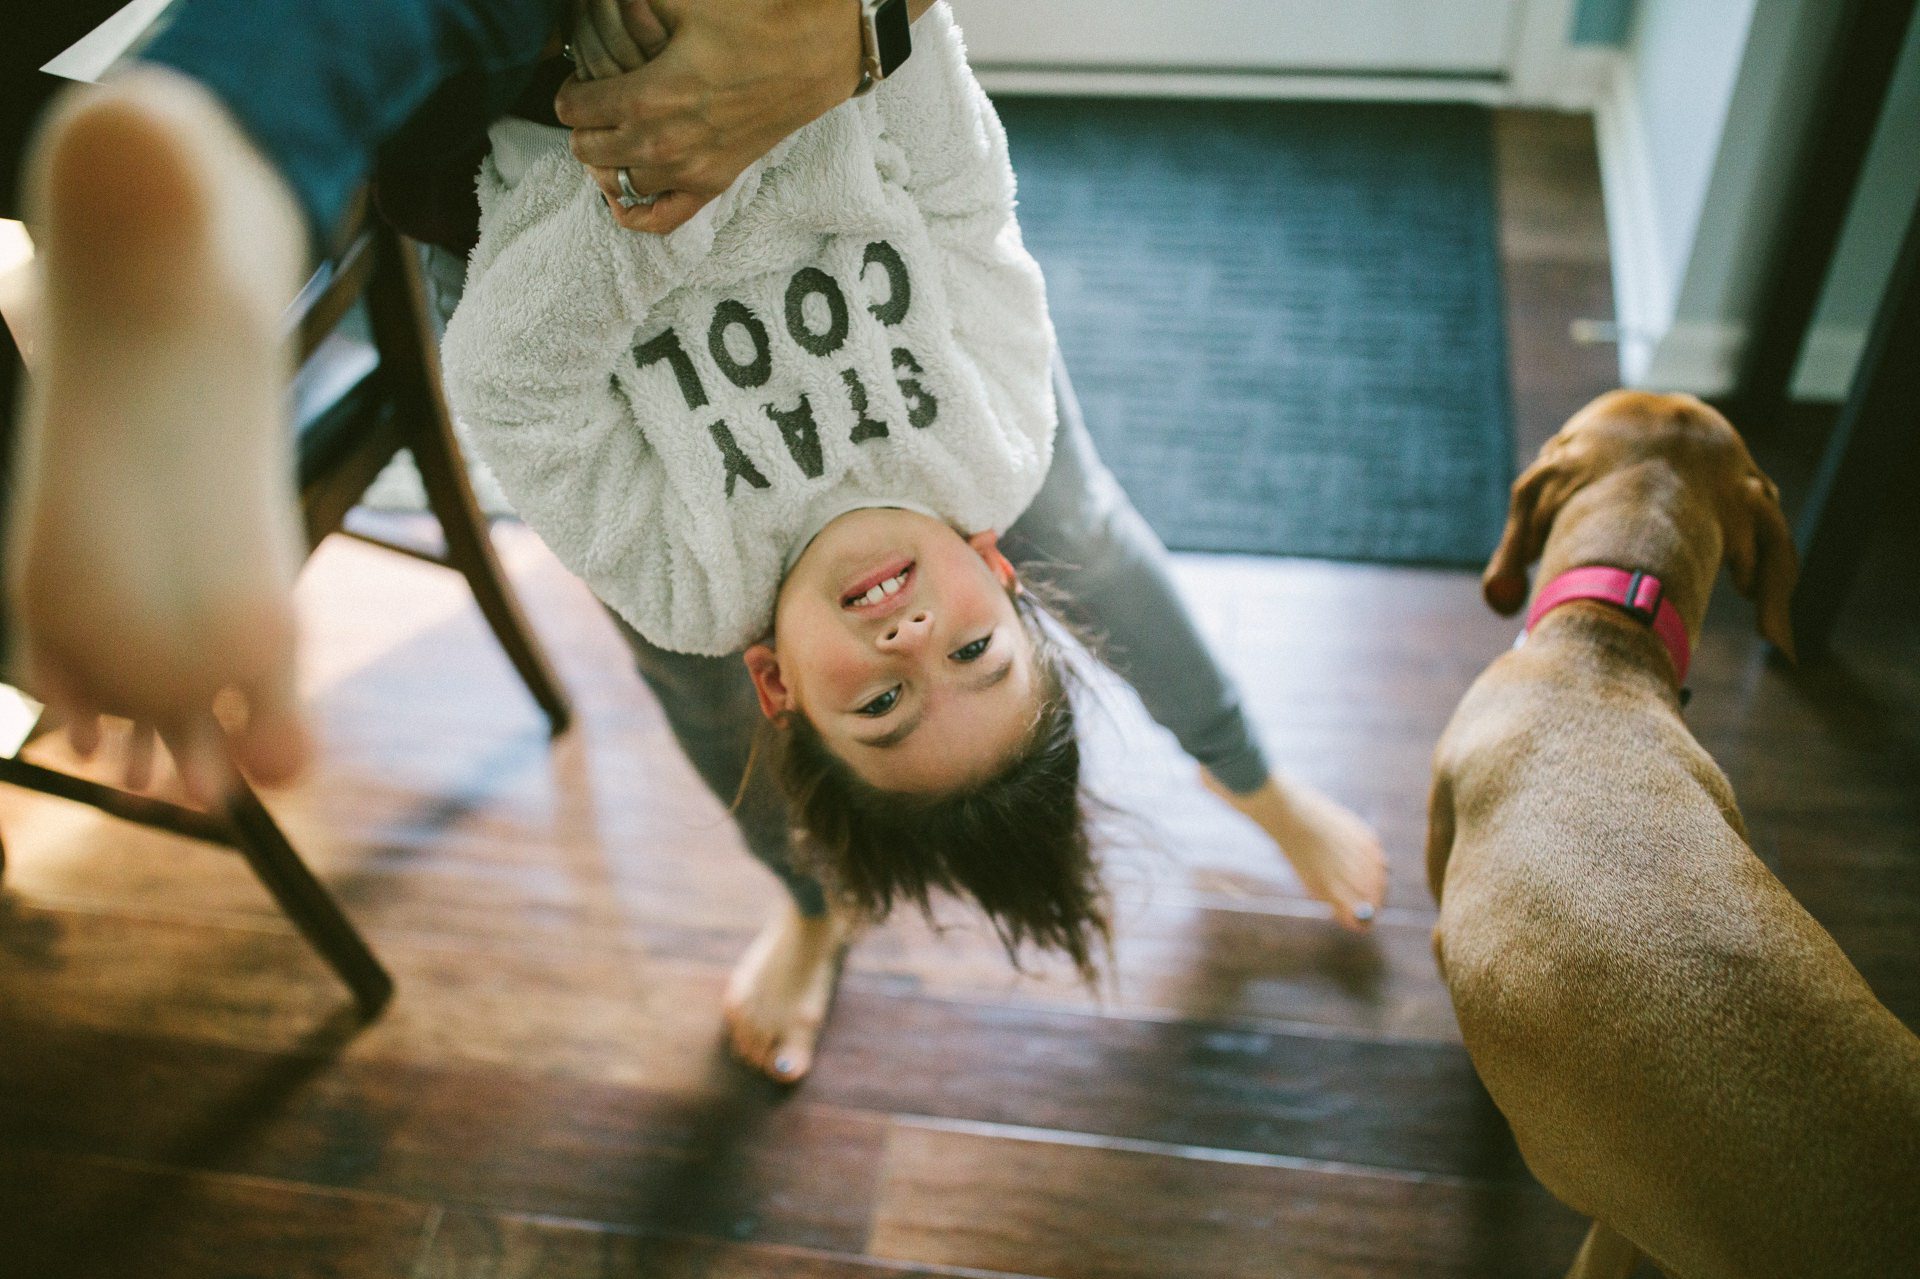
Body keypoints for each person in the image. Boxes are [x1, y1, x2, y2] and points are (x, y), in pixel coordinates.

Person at [8, 0, 1386, 1087]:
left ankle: (221, 170)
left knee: (418, 15)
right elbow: (962, 186)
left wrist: (669, 183)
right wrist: (853, 43)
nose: (916, 643)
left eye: (887, 699)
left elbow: (516, 386)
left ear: (782, 678)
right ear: (1004, 572)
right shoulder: (994, 455)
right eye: (974, 650)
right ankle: (1247, 776)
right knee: (1088, 524)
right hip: (785, 56)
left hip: (539, 143)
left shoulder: (691, 589)